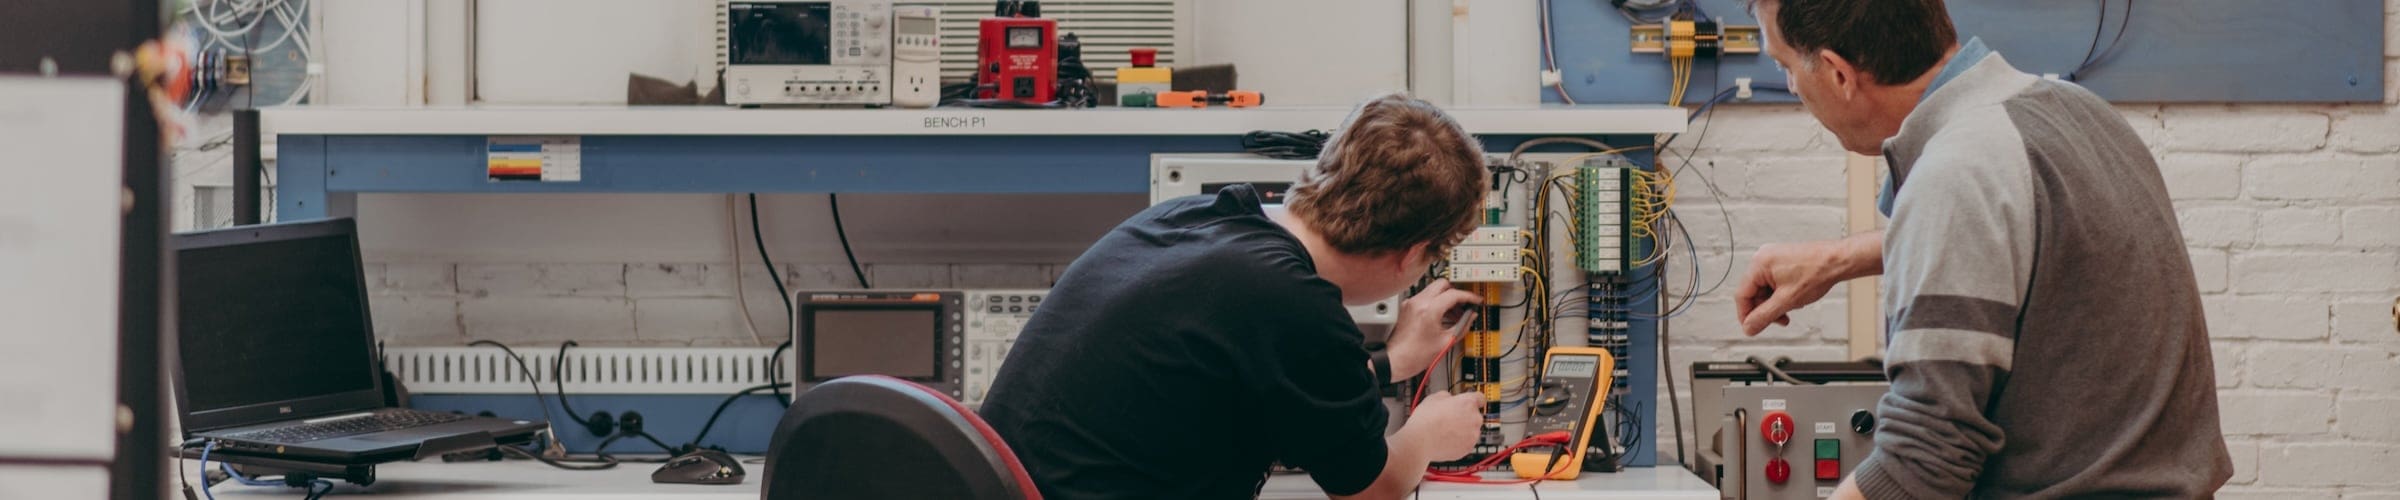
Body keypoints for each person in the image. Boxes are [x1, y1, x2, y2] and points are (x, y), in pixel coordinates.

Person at [1730, 0, 2232, 498]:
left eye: (1786, 66)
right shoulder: (2076, 113)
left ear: (1839, 74)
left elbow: (1923, 466)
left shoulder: (1958, 173)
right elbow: (2033, 245)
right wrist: (1840, 259)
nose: (1792, 85)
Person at [978, 93, 1490, 500]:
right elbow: (1372, 489)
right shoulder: (1293, 303)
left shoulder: (1191, 217)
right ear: (1414, 254)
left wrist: (1389, 361)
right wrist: (1427, 432)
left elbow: (1253, 377)